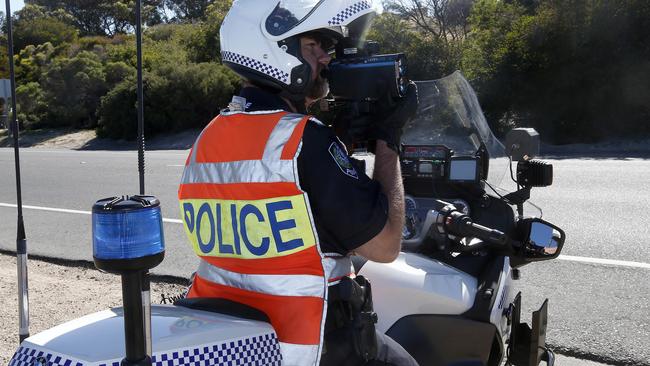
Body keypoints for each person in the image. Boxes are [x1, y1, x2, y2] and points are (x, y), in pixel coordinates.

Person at [178, 1, 418, 365]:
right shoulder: (304, 141)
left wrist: (340, 138)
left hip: (231, 340)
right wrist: (389, 140)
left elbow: (282, 201)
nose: (325, 58)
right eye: (313, 46)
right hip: (309, 343)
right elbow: (385, 247)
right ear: (273, 49)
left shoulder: (207, 138)